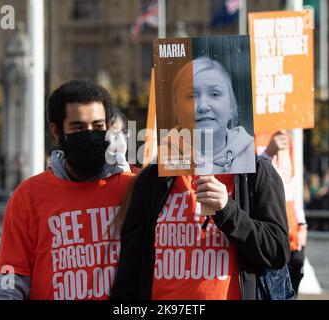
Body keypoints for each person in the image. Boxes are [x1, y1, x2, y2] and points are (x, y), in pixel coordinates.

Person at [0, 79, 134, 300]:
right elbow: (10, 272)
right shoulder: (28, 196)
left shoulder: (131, 190)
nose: (90, 134)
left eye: (98, 127)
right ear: (57, 131)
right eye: (78, 127)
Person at [111, 156, 290, 300]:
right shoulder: (154, 178)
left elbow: (277, 250)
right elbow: (130, 268)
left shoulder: (256, 173)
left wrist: (227, 211)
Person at [164, 56, 255, 175]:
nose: (203, 106)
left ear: (231, 107)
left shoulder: (259, 166)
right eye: (191, 96)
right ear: (177, 111)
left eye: (215, 94)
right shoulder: (158, 168)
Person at [255, 130, 307, 295]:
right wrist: (268, 152)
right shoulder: (252, 132)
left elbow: (292, 183)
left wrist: (302, 223)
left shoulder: (287, 136)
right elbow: (247, 176)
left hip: (292, 232)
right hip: (268, 230)